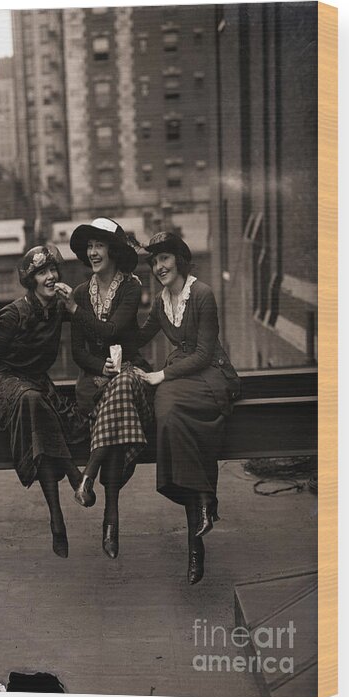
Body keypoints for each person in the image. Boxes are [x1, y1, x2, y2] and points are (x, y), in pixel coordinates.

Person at [0, 245, 89, 559]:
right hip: (1, 382)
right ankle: (75, 474)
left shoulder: (59, 308)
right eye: (41, 273)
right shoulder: (13, 313)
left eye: (52, 271)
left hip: (34, 383)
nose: (50, 277)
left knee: (39, 422)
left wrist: (74, 305)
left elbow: (91, 327)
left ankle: (57, 520)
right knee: (33, 402)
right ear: (30, 280)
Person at [133, 232, 240, 585]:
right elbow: (136, 336)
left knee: (180, 414)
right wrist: (84, 316)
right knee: (166, 416)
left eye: (164, 259)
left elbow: (205, 354)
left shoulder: (203, 295)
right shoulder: (161, 302)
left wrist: (160, 374)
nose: (159, 267)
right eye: (154, 262)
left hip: (210, 374)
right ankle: (205, 502)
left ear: (179, 259)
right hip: (179, 376)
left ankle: (196, 546)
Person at [54, 217, 152, 559]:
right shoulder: (81, 292)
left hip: (130, 372)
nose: (93, 252)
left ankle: (88, 477)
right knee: (115, 397)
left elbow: (112, 332)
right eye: (90, 247)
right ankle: (111, 521)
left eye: (100, 245)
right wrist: (100, 367)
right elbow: (79, 351)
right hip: (95, 381)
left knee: (123, 384)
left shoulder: (132, 287)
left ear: (113, 250)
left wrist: (75, 311)